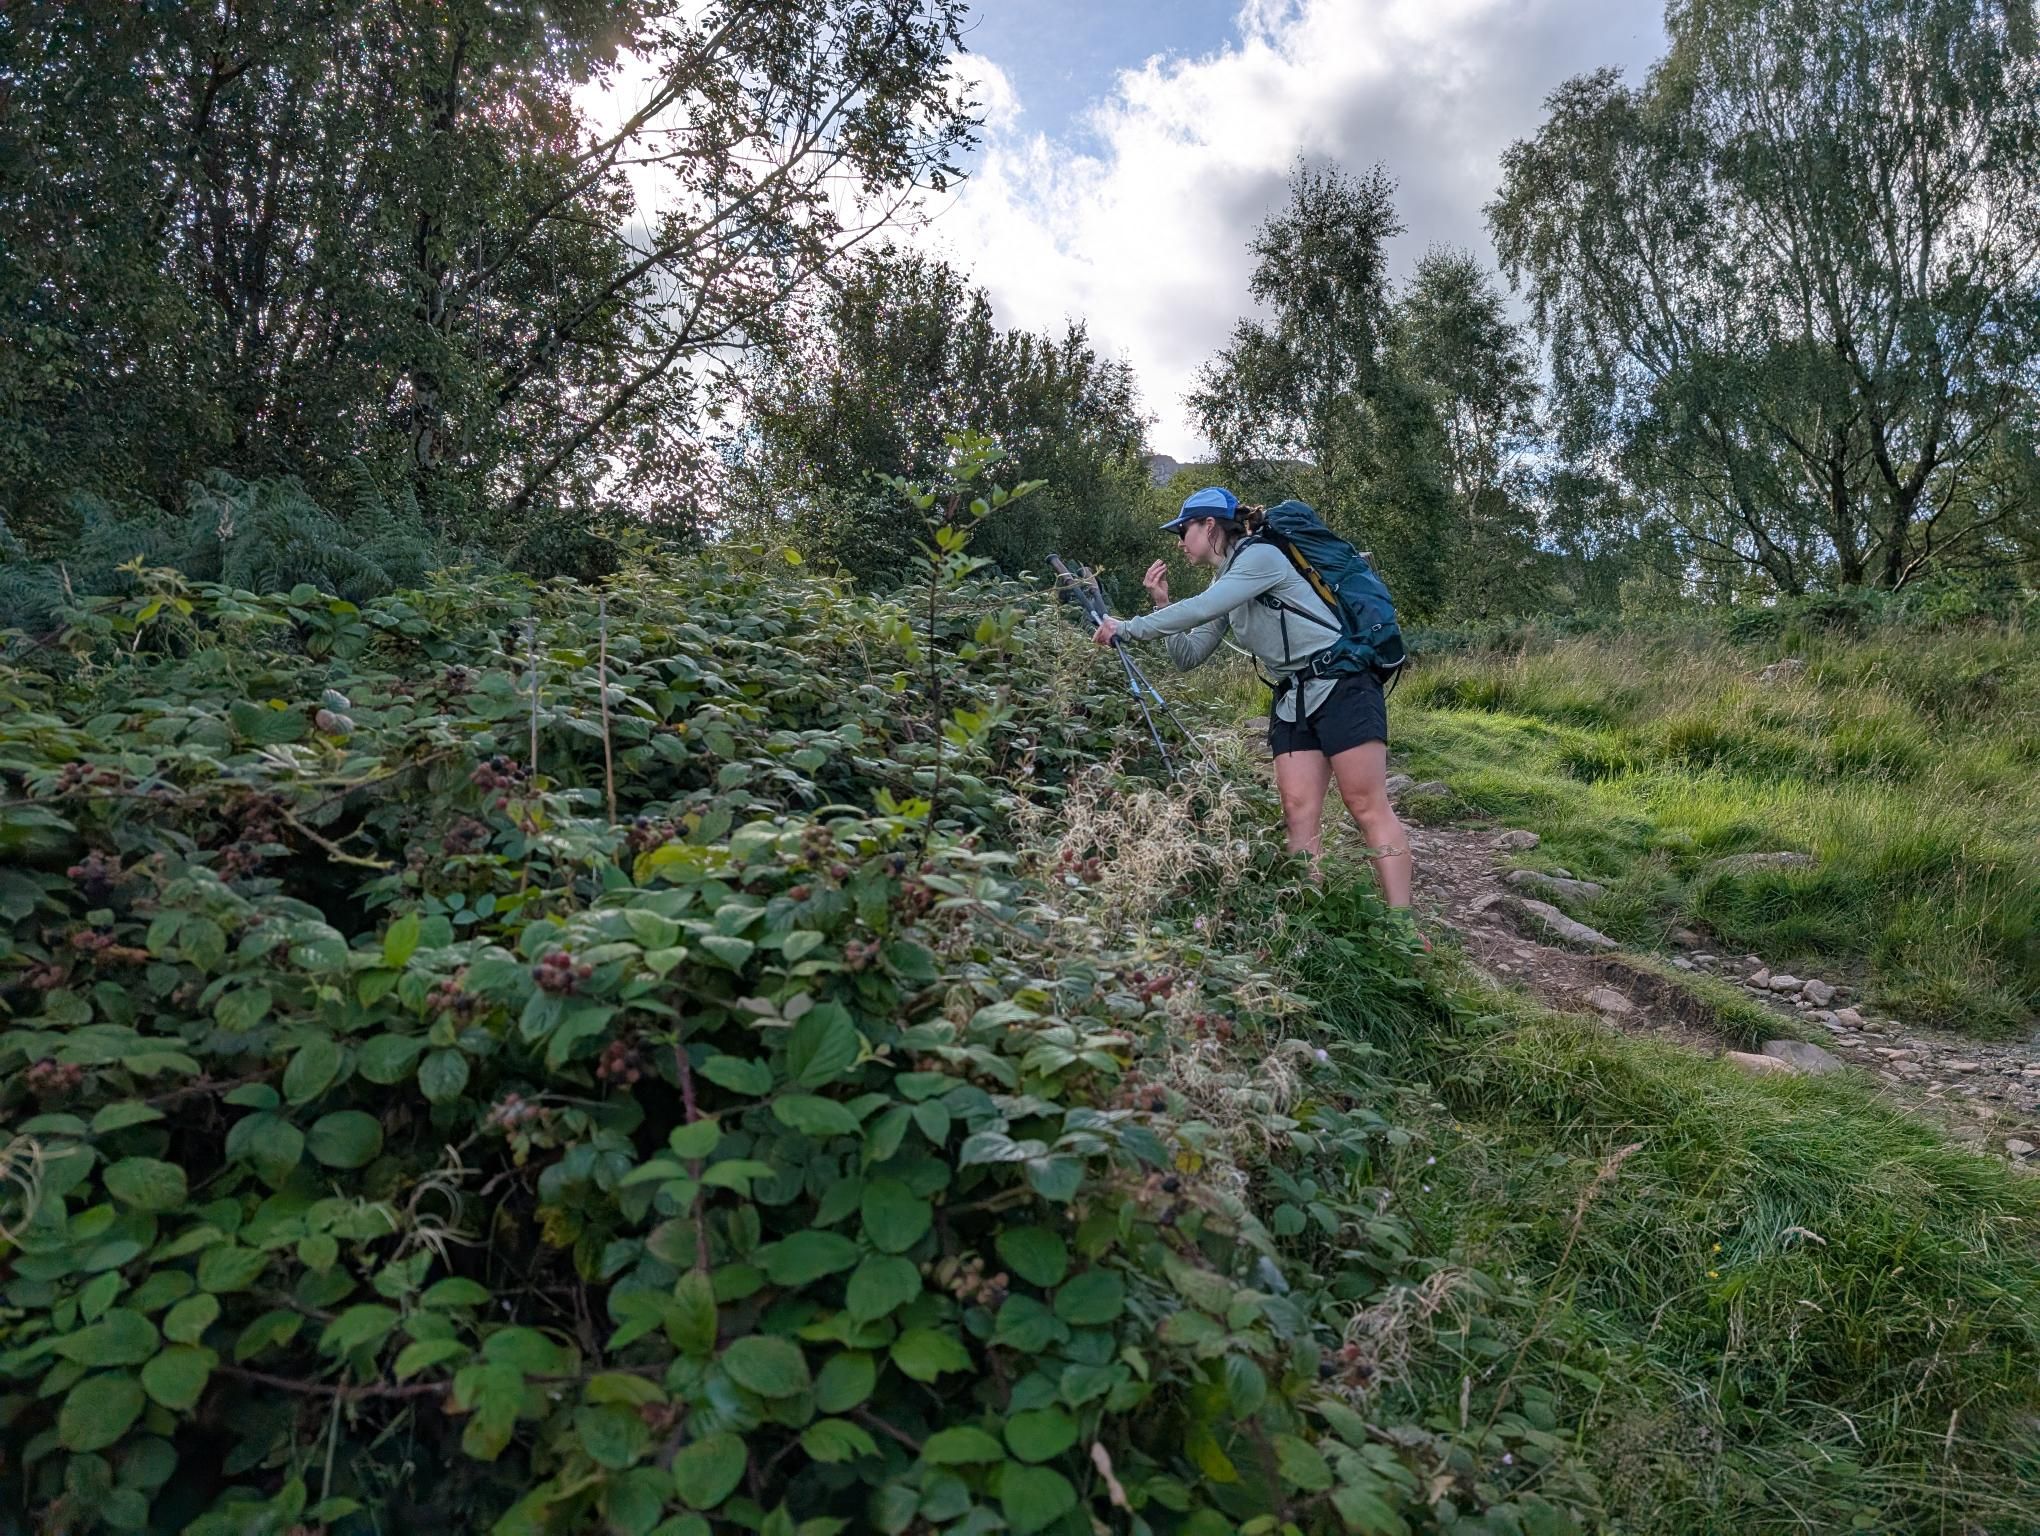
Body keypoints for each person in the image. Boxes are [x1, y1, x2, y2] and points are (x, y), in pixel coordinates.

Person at [1090, 485, 1414, 909]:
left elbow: (1204, 607)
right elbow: (1189, 656)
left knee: (1364, 803)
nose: (1179, 541)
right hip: (1292, 699)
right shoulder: (1229, 581)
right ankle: (1309, 918)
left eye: (1182, 529)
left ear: (1209, 526)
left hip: (1343, 682)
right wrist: (1160, 604)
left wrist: (1127, 627)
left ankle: (1401, 927)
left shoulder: (1260, 557)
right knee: (1298, 813)